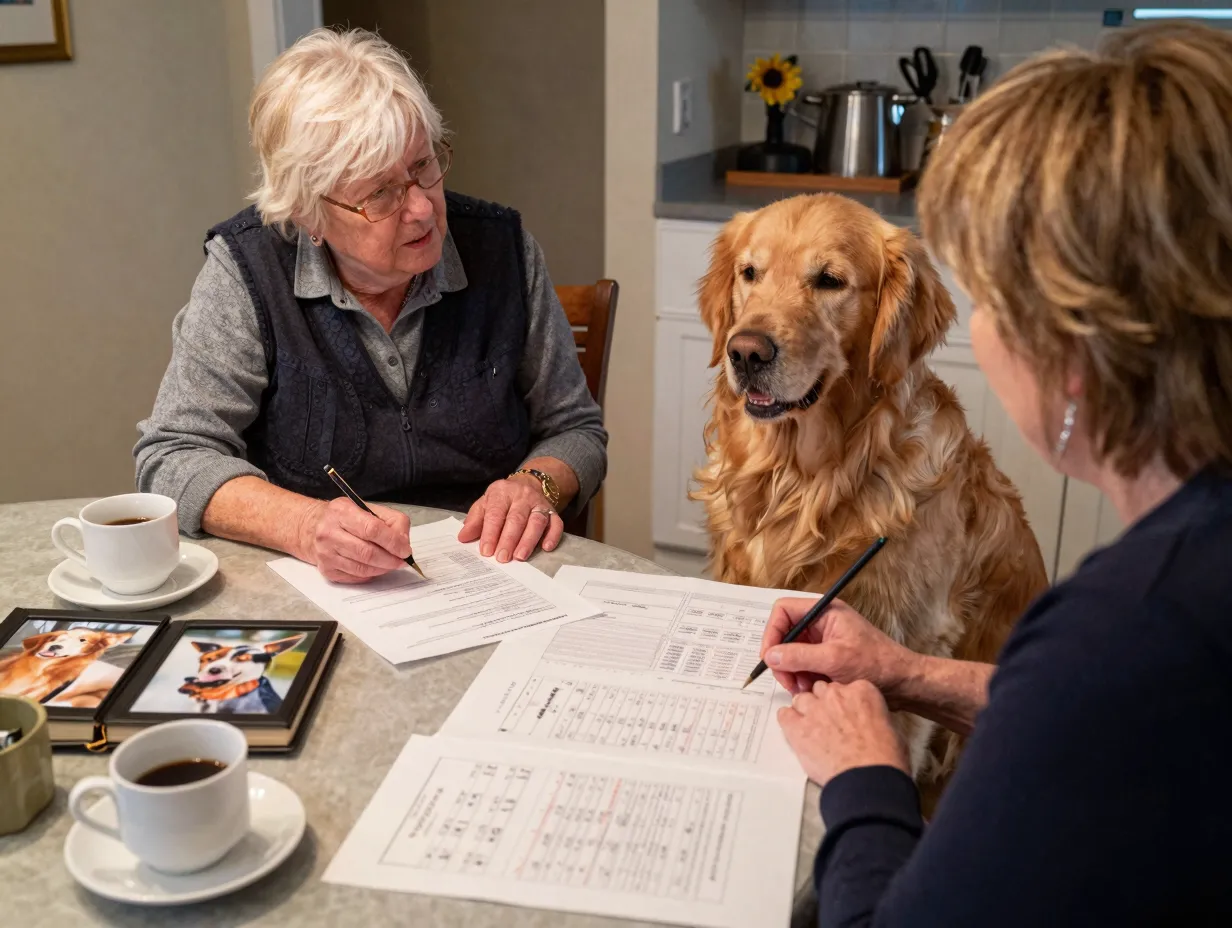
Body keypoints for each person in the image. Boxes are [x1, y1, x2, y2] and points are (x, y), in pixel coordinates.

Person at [760, 22, 1232, 926]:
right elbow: (1103, 721)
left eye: (987, 298)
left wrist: (867, 775)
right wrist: (906, 673)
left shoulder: (1124, 630)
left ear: (1072, 344)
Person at [134, 29, 606, 583]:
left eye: (423, 167)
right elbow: (173, 455)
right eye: (380, 193)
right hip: (320, 584)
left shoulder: (503, 251)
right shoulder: (248, 270)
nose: (422, 209)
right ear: (307, 212)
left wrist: (536, 483)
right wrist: (305, 525)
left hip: (489, 575)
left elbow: (576, 429)